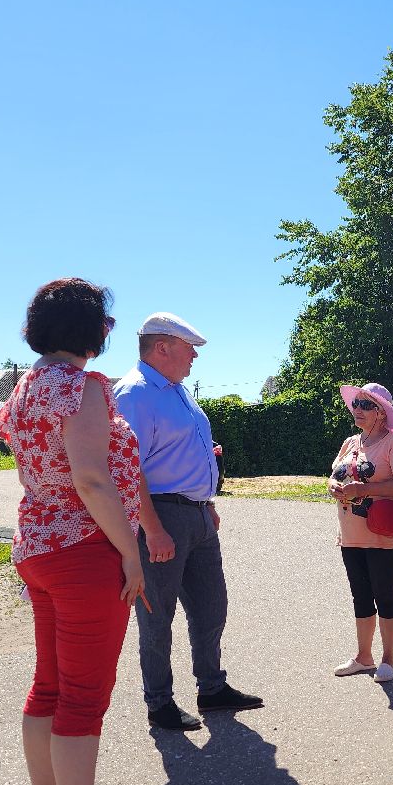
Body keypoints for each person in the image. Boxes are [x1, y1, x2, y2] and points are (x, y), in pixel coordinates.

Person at [0, 277, 152, 785]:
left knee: (51, 686)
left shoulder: (27, 387)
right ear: (91, 328)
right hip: (86, 551)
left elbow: (41, 470)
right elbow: (90, 478)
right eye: (106, 322)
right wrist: (131, 555)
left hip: (37, 547)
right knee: (82, 698)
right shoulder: (82, 387)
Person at [113, 313, 263, 732]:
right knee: (157, 616)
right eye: (189, 348)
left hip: (196, 514)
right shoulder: (135, 393)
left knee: (211, 607)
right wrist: (153, 528)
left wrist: (205, 501)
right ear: (162, 348)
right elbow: (127, 467)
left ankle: (211, 688)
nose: (195, 356)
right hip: (161, 515)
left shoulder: (177, 391)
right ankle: (159, 702)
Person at [328, 382, 393, 682]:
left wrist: (364, 490)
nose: (358, 409)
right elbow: (333, 475)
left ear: (382, 413)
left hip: (382, 534)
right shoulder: (350, 442)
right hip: (350, 533)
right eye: (356, 404)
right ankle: (364, 656)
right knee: (361, 596)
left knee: (384, 595)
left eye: (366, 405)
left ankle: (388, 659)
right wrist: (333, 486)